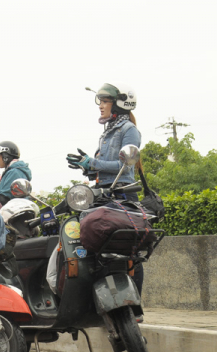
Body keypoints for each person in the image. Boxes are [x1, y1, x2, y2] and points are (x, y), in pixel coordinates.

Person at [67, 82, 145, 300]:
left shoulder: (129, 130)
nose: (100, 105)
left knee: (130, 253)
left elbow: (125, 168)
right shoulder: (108, 132)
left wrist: (93, 163)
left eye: (105, 101)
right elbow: (103, 169)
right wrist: (87, 167)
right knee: (95, 248)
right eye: (100, 101)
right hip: (103, 194)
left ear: (119, 103)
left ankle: (135, 304)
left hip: (122, 194)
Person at [0, 141, 31, 206]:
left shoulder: (15, 172)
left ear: (5, 156)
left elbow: (4, 198)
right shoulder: (14, 170)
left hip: (14, 210)